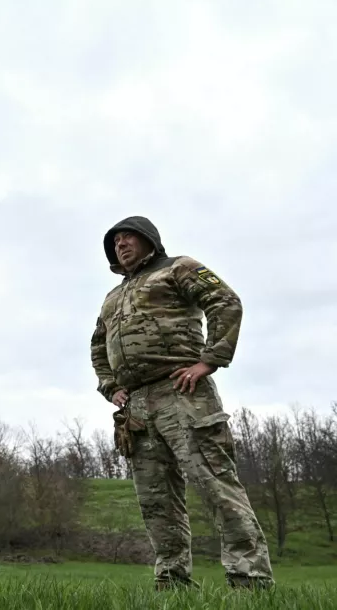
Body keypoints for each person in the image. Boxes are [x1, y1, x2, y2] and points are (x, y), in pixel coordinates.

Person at [89, 215, 273, 590]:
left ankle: (249, 579)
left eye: (128, 238)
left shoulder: (178, 268)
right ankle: (172, 583)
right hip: (136, 409)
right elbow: (97, 346)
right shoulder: (112, 297)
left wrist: (209, 360)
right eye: (115, 242)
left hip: (183, 393)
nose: (121, 245)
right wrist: (110, 387)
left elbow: (224, 301)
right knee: (157, 502)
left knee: (215, 485)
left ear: (149, 240)